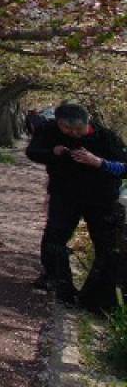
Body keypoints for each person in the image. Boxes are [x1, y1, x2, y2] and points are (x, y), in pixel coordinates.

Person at [26, 102, 126, 311]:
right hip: (65, 195)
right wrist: (52, 152)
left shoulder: (106, 137)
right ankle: (55, 278)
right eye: (67, 129)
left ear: (87, 122)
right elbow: (33, 152)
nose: (73, 134)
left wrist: (97, 162)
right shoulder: (49, 131)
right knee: (55, 236)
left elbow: (123, 167)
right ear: (58, 123)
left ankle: (98, 296)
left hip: (101, 199)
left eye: (78, 129)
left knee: (106, 245)